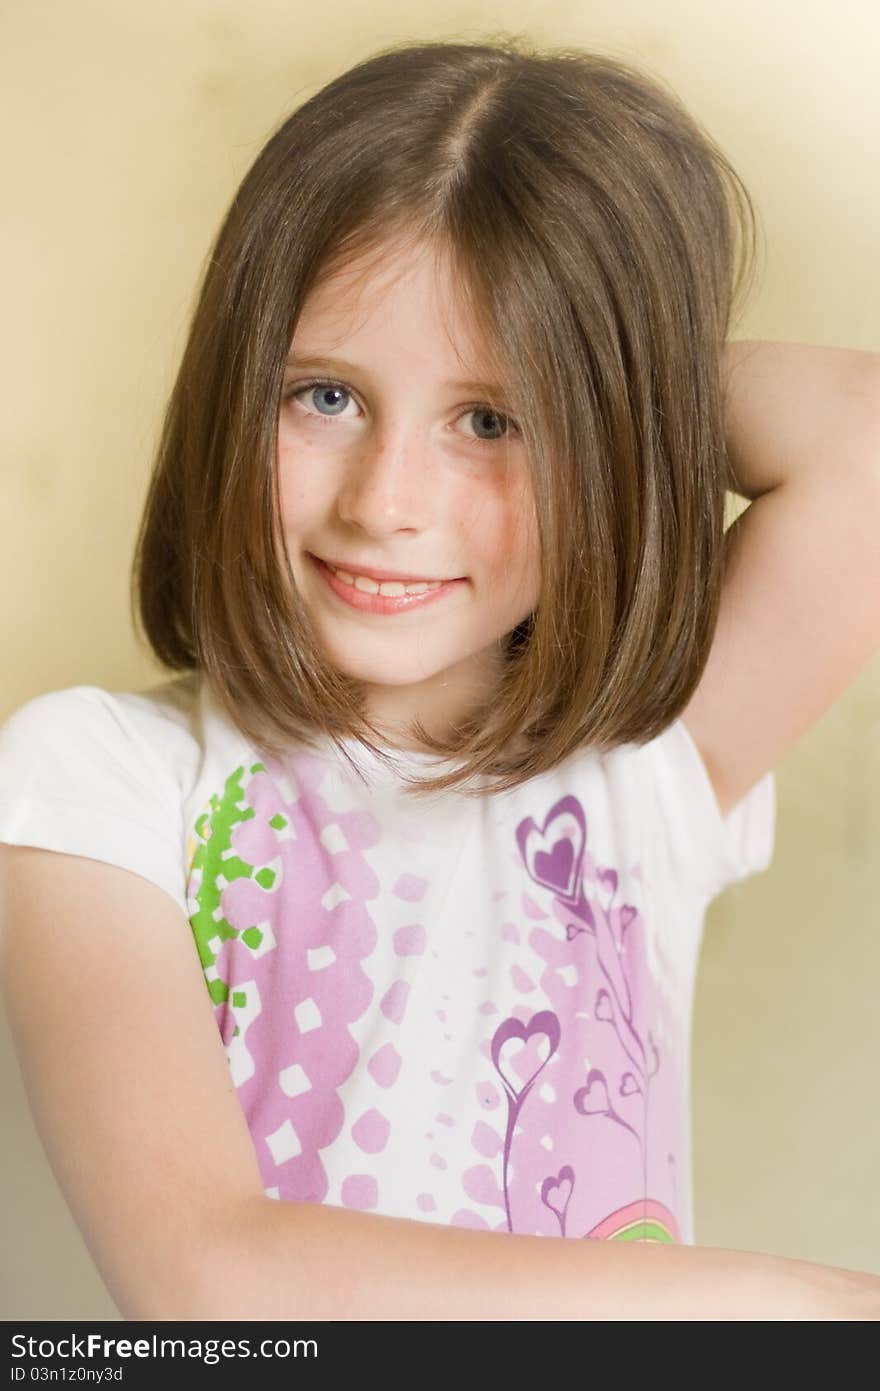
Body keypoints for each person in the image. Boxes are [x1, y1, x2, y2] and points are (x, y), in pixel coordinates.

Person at [1, 35, 879, 1322]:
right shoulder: (97, 782)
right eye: (323, 396)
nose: (388, 502)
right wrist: (795, 1305)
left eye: (489, 421)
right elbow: (208, 1278)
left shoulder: (647, 771)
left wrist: (605, 376)